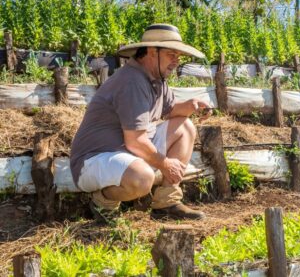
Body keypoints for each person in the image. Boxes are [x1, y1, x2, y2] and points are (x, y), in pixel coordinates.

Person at [70, 23, 210, 221]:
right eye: (172, 54)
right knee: (142, 178)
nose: (176, 61)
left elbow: (170, 110)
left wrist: (192, 105)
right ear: (153, 52)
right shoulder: (132, 81)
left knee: (185, 126)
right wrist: (166, 163)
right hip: (93, 160)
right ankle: (102, 203)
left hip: (124, 154)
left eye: (178, 57)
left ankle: (166, 201)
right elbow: (135, 141)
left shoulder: (155, 78)